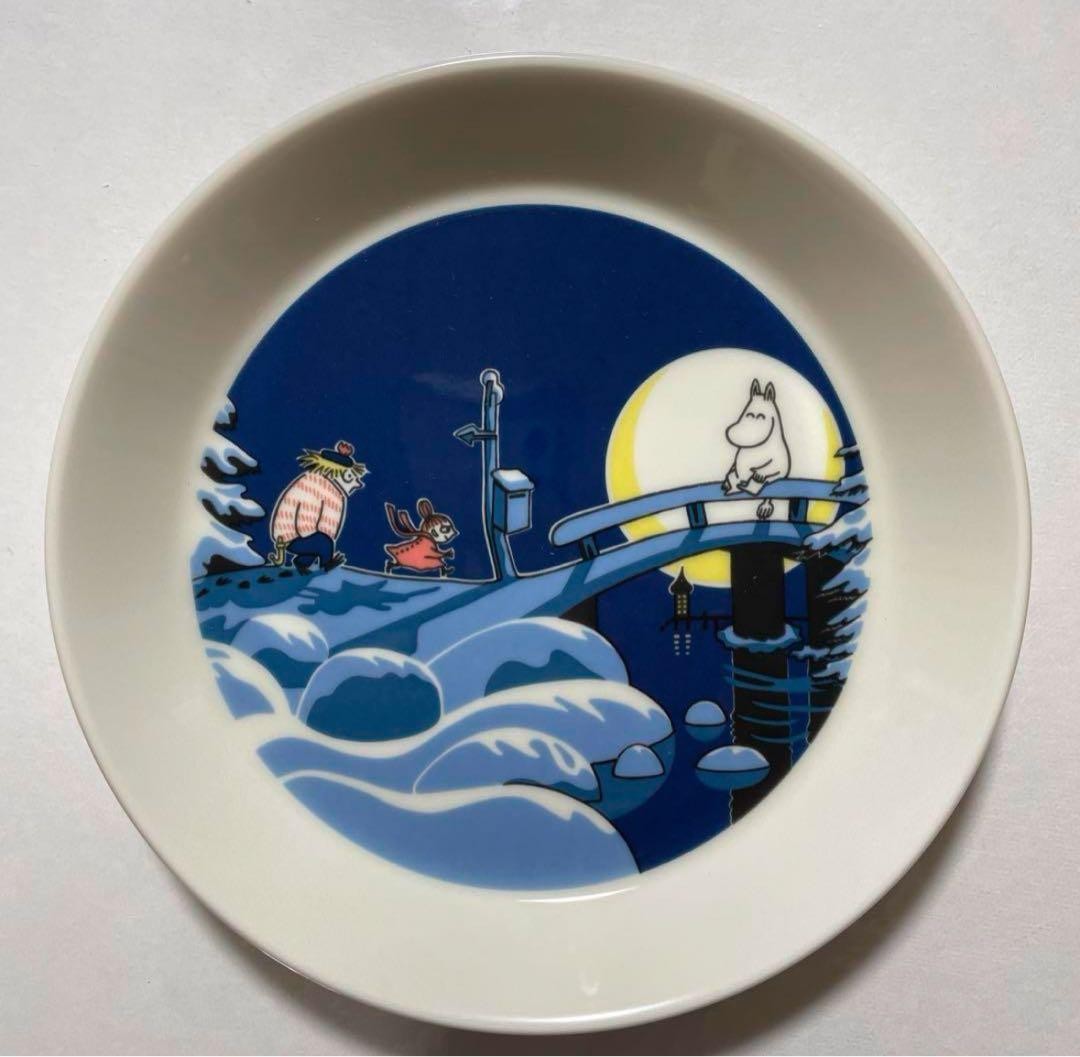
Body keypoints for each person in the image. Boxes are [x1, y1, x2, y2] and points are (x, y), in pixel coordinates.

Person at [268, 440, 368, 571]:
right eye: (351, 477)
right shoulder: (315, 484)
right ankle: (326, 567)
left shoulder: (332, 490)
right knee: (323, 543)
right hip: (290, 537)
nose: (358, 484)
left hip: (302, 538)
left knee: (321, 543)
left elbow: (327, 525)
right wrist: (319, 539)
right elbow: (305, 519)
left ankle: (302, 564)